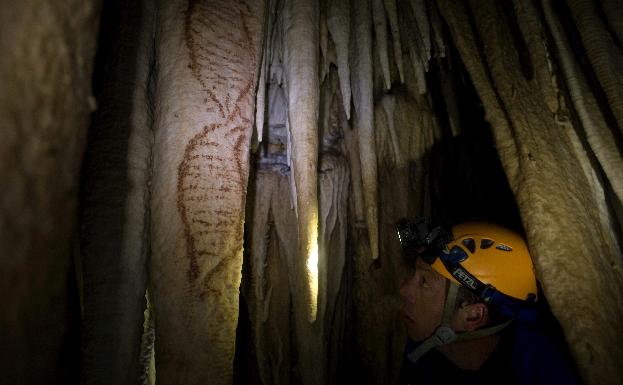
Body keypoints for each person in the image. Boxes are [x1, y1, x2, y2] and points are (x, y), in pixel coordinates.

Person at [396, 220, 583, 385]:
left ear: (473, 315)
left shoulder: (543, 370)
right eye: (415, 276)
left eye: (424, 283)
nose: (403, 291)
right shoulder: (408, 354)